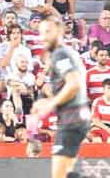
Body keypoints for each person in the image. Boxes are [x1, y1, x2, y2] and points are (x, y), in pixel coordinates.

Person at [31, 14, 90, 178]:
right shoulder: (65, 53)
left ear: (60, 31)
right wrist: (48, 101)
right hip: (76, 117)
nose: (43, 37)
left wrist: (50, 105)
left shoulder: (60, 54)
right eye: (40, 32)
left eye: (48, 32)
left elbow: (74, 83)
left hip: (71, 119)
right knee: (67, 173)